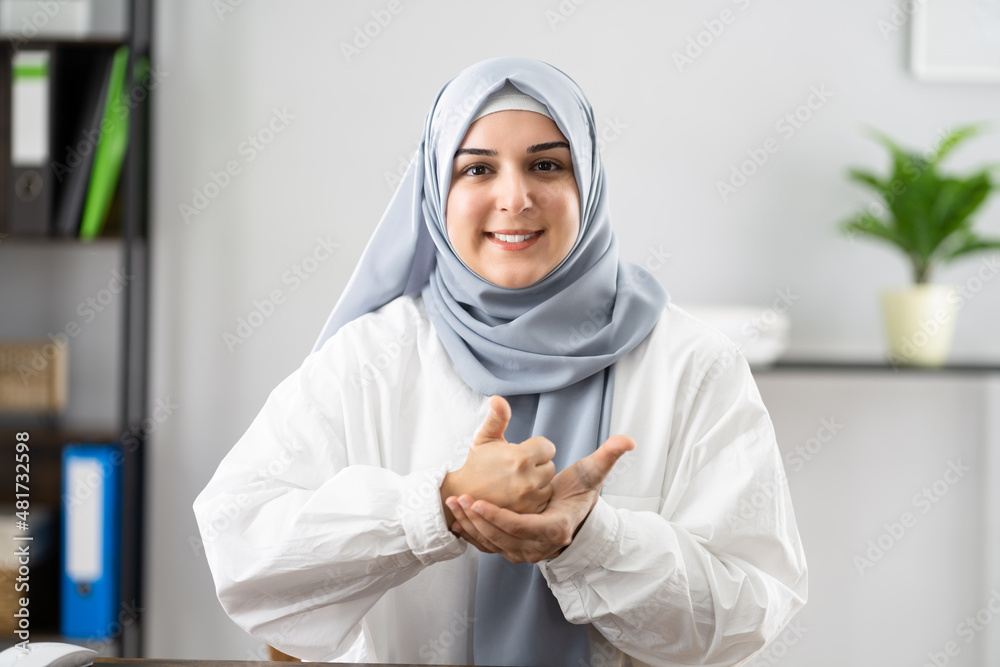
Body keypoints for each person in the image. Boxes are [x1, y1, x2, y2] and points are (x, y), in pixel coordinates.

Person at [193, 56, 807, 666]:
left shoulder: (694, 365)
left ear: (588, 184)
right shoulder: (372, 358)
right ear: (436, 191)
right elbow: (242, 552)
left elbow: (750, 613)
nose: (514, 198)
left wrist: (592, 540)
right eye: (477, 169)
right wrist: (438, 506)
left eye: (546, 165)